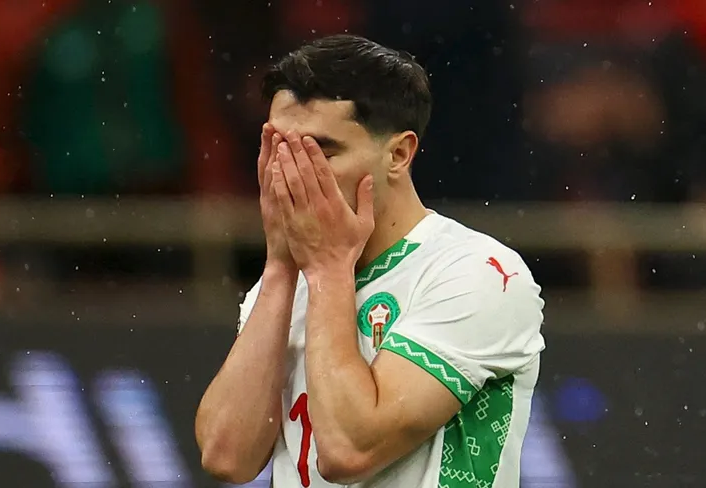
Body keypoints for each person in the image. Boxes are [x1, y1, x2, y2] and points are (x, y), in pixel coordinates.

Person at [195, 35, 545, 488]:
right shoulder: (287, 283)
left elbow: (349, 451)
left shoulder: (478, 273)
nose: (293, 171)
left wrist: (327, 270)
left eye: (321, 151)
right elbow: (226, 456)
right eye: (280, 149)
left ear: (398, 154)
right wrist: (280, 268)